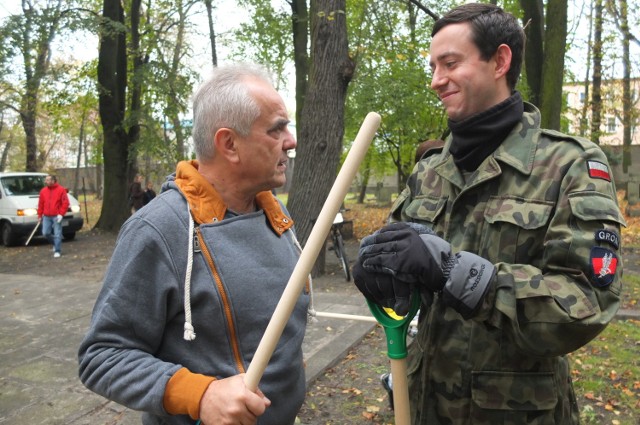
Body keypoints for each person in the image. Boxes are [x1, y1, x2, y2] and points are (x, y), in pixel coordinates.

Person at [353, 3, 626, 424]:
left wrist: (455, 274)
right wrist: (382, 273)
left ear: (500, 61)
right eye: (433, 66)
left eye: (450, 64)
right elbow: (408, 278)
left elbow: (587, 303)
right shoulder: (429, 171)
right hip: (424, 405)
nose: (435, 81)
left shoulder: (569, 164)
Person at [78, 63, 306, 425]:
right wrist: (200, 395)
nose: (291, 140)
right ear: (229, 144)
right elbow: (102, 356)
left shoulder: (275, 213)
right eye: (277, 128)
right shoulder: (157, 229)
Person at [37, 174, 69, 258]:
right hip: (46, 216)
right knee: (45, 233)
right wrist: (39, 215)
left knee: (57, 233)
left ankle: (57, 250)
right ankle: (55, 243)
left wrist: (61, 214)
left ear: (53, 180)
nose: (46, 181)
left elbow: (65, 203)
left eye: (48, 180)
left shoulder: (61, 190)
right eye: (46, 180)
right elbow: (41, 204)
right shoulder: (43, 191)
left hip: (56, 215)